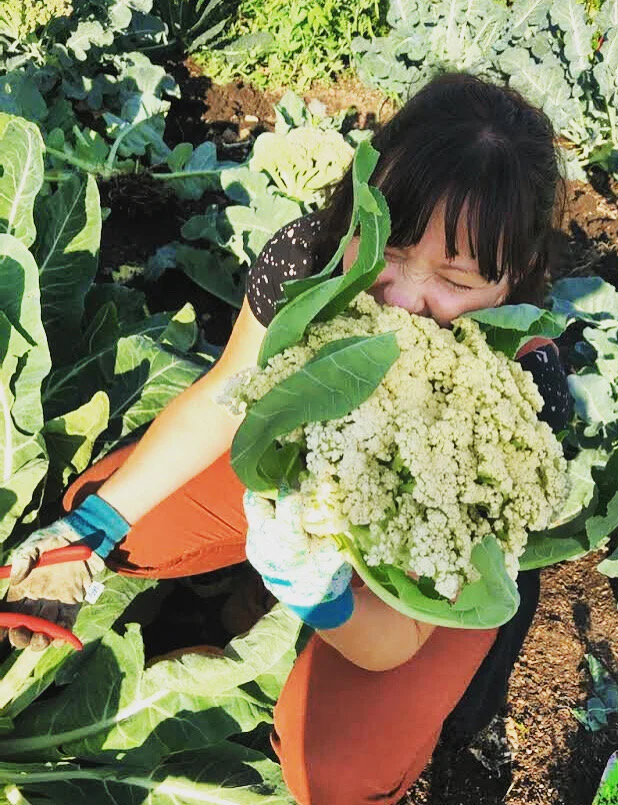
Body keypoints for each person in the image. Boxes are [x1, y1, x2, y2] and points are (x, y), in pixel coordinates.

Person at [1, 72, 572, 804]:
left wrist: (321, 593)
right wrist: (90, 528)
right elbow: (228, 397)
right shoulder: (312, 256)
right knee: (128, 527)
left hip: (436, 577)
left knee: (334, 773)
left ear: (513, 278)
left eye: (454, 280)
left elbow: (392, 637)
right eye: (389, 249)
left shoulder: (523, 392)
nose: (401, 296)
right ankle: (242, 590)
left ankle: (335, 653)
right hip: (311, 470)